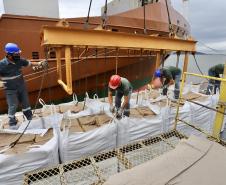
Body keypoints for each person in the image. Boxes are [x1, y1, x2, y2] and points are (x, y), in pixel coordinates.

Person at [0, 43, 48, 129]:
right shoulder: (2, 64)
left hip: (21, 86)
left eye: (18, 53)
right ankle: (12, 123)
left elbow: (29, 64)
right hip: (10, 89)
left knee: (26, 103)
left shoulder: (19, 61)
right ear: (9, 55)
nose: (18, 55)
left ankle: (29, 117)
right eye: (16, 54)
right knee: (13, 105)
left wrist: (39, 63)